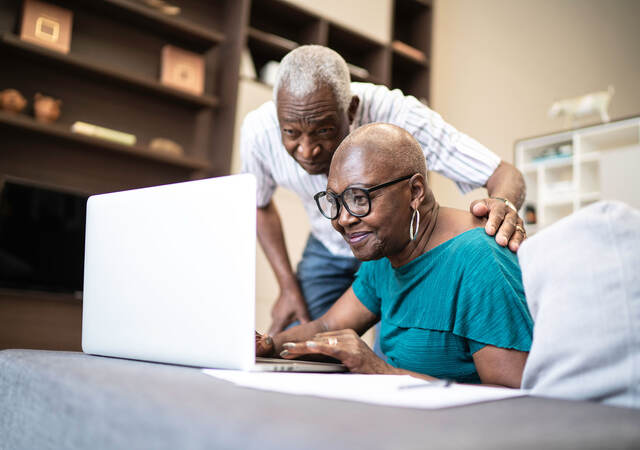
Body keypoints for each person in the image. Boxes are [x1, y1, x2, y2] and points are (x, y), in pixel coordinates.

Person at [241, 45, 527, 336]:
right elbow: (259, 204)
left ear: (351, 109)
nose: (306, 149)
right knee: (304, 341)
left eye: (323, 131)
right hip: (326, 246)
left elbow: (503, 173)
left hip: (395, 245)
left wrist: (503, 205)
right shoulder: (258, 131)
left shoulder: (399, 114)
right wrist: (287, 286)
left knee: (395, 351)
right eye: (291, 133)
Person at [255, 123, 533, 387]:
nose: (342, 219)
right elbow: (329, 325)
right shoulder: (389, 248)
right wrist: (267, 345)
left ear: (415, 192)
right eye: (335, 202)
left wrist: (382, 371)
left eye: (359, 199)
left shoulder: (480, 260)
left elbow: (513, 397)